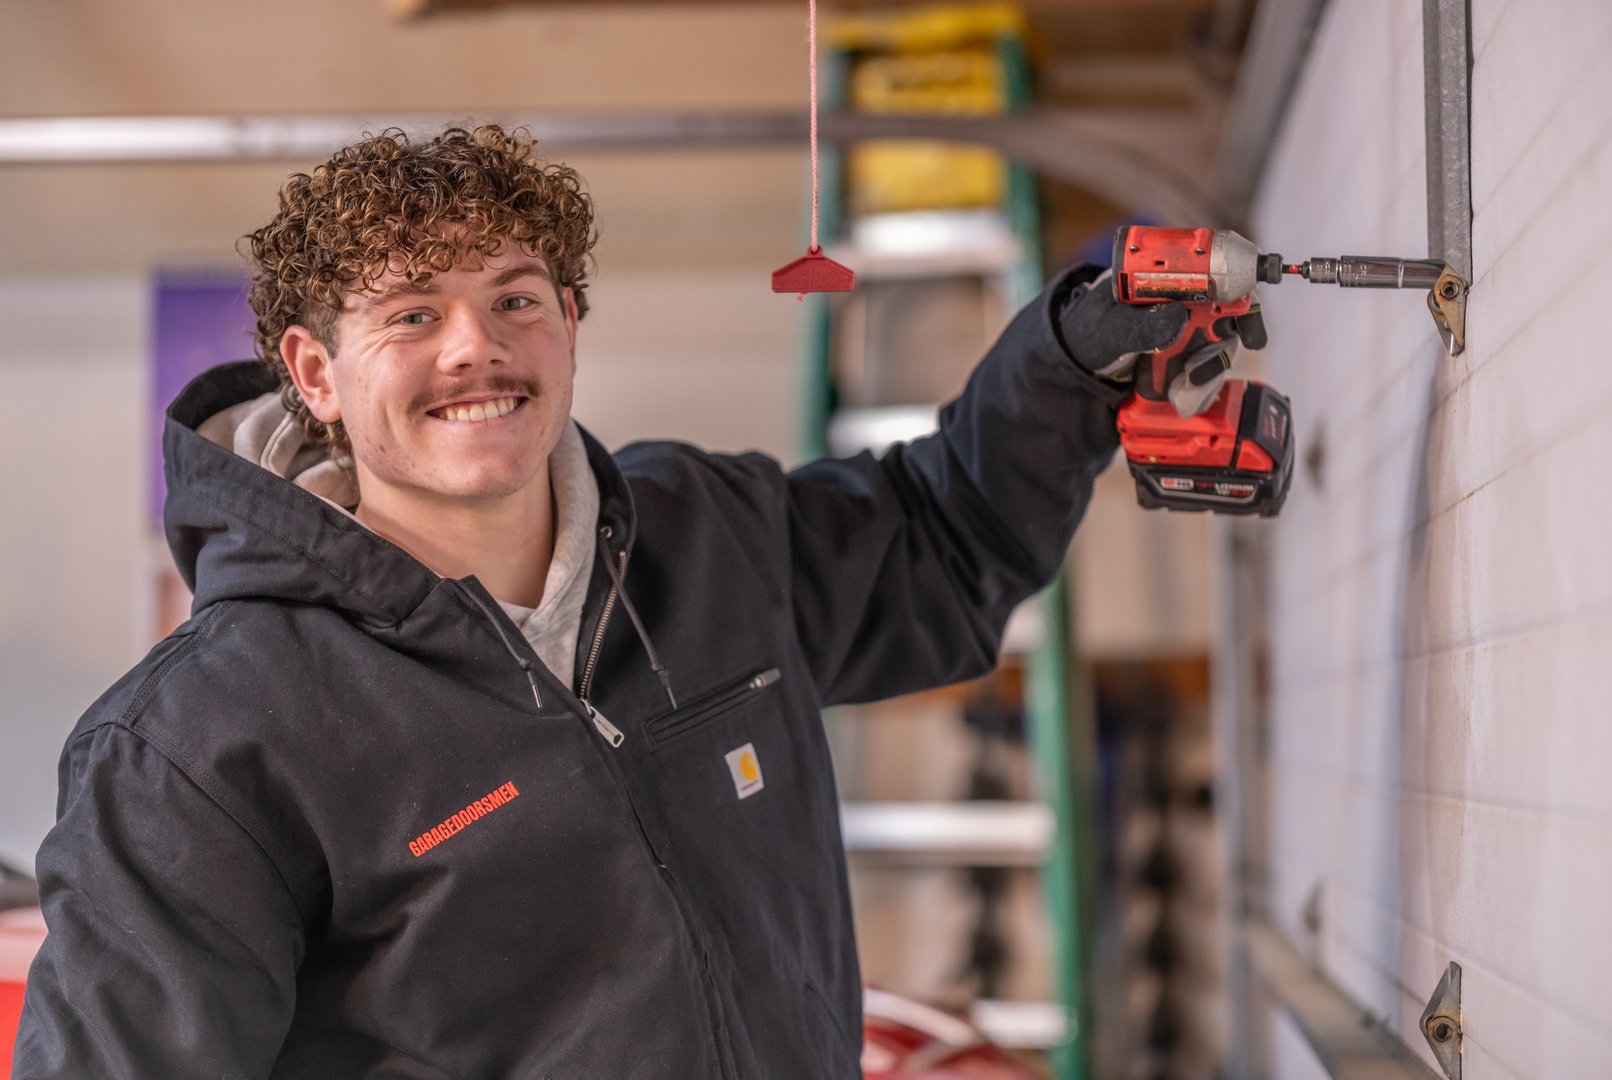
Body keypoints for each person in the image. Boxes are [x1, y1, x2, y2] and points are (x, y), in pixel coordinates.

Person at [12, 124, 1231, 1079]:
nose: (474, 347)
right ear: (316, 373)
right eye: (411, 315)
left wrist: (1065, 361)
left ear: (572, 324)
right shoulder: (195, 745)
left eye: (516, 296)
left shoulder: (709, 538)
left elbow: (943, 543)